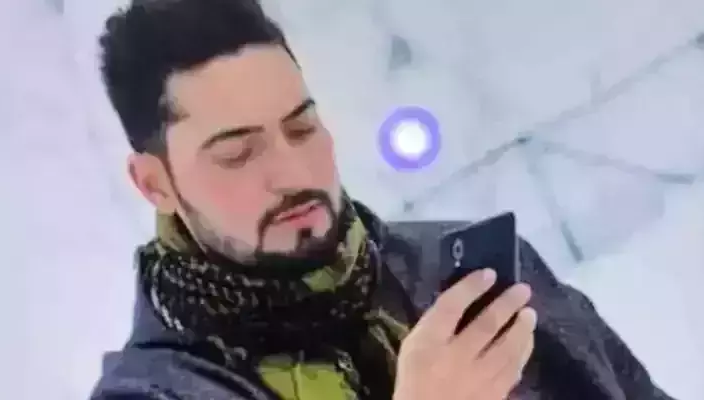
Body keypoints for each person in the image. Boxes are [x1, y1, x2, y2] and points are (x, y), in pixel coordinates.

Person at [91, 0, 674, 399]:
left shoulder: (464, 270)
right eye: (237, 154)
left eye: (301, 128)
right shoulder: (155, 392)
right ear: (155, 184)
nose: (293, 172)